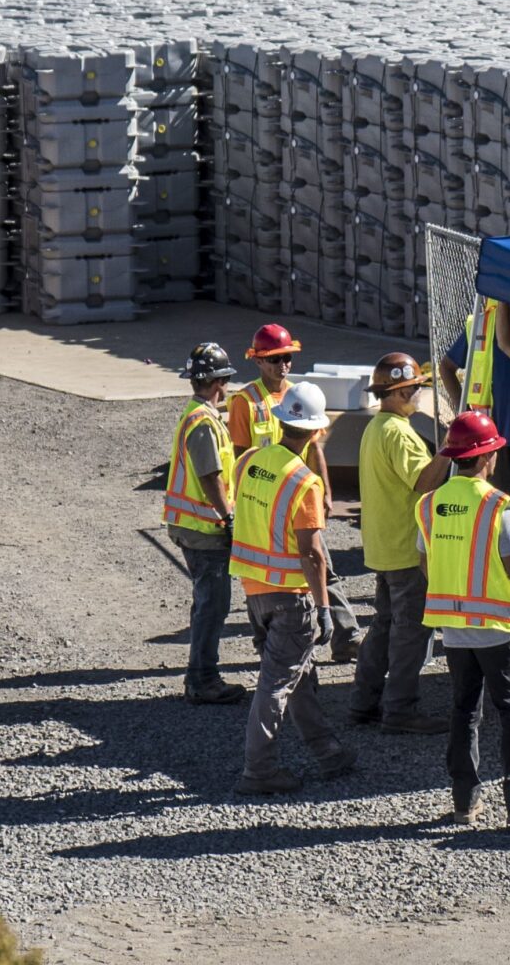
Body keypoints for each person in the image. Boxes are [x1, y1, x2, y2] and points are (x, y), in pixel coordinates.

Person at [419, 411, 510, 832]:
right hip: (498, 628)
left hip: (454, 629)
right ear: (488, 457)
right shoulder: (498, 504)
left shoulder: (429, 505)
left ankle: (465, 801)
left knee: (464, 711)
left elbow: (427, 561)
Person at [230, 382, 358, 795]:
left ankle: (328, 751)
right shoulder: (305, 482)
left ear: (283, 421)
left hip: (254, 590)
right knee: (275, 684)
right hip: (291, 596)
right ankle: (258, 771)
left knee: (295, 672)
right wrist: (324, 608)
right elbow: (313, 554)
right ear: (318, 431)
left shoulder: (250, 460)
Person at [228, 323, 360, 661]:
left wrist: (326, 491)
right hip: (268, 501)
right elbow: (240, 457)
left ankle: (344, 635)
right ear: (257, 361)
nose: (282, 365)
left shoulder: (299, 395)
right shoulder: (245, 402)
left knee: (321, 564)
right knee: (294, 567)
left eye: (286, 357)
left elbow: (315, 449)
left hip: (297, 497)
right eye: (273, 359)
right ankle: (280, 640)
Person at [349, 353, 448, 732]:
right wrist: (448, 449)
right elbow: (424, 481)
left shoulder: (376, 428)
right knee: (411, 631)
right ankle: (401, 710)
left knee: (385, 626)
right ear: (402, 390)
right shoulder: (398, 432)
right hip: (407, 550)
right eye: (416, 389)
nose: (419, 395)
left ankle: (364, 702)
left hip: (384, 546)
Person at [164, 343, 247, 706]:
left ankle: (201, 675)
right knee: (213, 605)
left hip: (193, 525)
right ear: (219, 382)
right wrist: (228, 516)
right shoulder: (202, 422)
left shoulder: (199, 414)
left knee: (207, 603)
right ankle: (203, 679)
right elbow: (210, 474)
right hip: (204, 530)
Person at [441, 300, 510, 499]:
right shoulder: (482, 326)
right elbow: (446, 367)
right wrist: (465, 414)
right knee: (498, 510)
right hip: (493, 444)